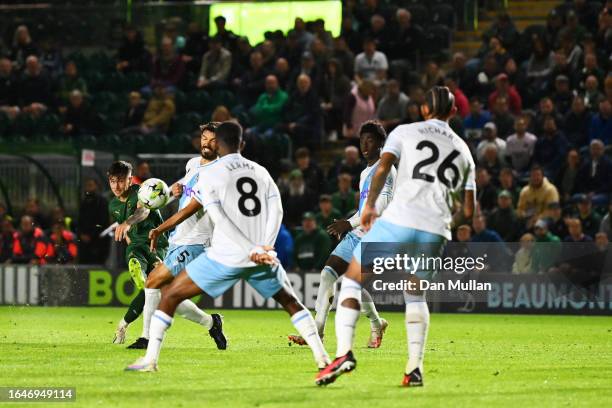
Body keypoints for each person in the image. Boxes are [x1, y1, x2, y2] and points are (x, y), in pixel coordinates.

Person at [126, 121, 330, 373]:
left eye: (212, 140)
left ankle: (150, 359)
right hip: (258, 253)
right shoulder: (259, 170)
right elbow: (277, 209)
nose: (207, 143)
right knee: (291, 302)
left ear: (220, 144)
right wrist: (265, 245)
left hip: (223, 253)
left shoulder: (213, 173)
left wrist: (247, 246)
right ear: (242, 144)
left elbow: (217, 215)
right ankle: (324, 360)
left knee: (169, 296)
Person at [316, 86, 475, 387]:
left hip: (400, 219)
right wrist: (444, 224)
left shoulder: (405, 131)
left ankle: (343, 353)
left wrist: (369, 207)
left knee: (351, 280)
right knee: (415, 294)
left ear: (425, 110)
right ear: (454, 112)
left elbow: (382, 168)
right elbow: (468, 210)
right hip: (435, 229)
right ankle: (414, 368)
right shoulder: (464, 151)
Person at [289, 121, 396, 349]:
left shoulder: (385, 169)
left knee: (352, 284)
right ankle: (318, 329)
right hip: (359, 229)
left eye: (370, 140)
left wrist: (348, 222)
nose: (365, 145)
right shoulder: (365, 172)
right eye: (362, 140)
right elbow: (363, 209)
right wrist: (351, 222)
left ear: (380, 143)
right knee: (328, 273)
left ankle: (377, 323)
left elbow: (383, 203)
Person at [132, 123, 226, 350]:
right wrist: (152, 201)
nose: (206, 143)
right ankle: (212, 323)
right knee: (166, 293)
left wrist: (159, 229)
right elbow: (176, 190)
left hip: (197, 242)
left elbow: (188, 211)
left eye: (213, 140)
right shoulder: (193, 165)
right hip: (179, 238)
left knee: (153, 280)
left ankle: (146, 338)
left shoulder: (219, 175)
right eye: (204, 138)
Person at [107, 161, 169, 346]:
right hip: (137, 246)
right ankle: (139, 272)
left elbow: (142, 212)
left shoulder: (142, 191)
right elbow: (127, 234)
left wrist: (128, 222)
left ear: (130, 179)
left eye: (121, 181)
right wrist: (128, 236)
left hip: (157, 245)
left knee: (152, 291)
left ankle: (122, 324)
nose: (116, 186)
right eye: (112, 181)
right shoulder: (113, 205)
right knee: (147, 283)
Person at [77, 178, 109, 264]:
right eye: (87, 186)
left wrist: (91, 235)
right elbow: (79, 221)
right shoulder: (84, 203)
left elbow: (103, 222)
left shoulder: (102, 202)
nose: (88, 188)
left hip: (97, 243)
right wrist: (81, 234)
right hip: (84, 243)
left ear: (96, 187)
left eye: (91, 185)